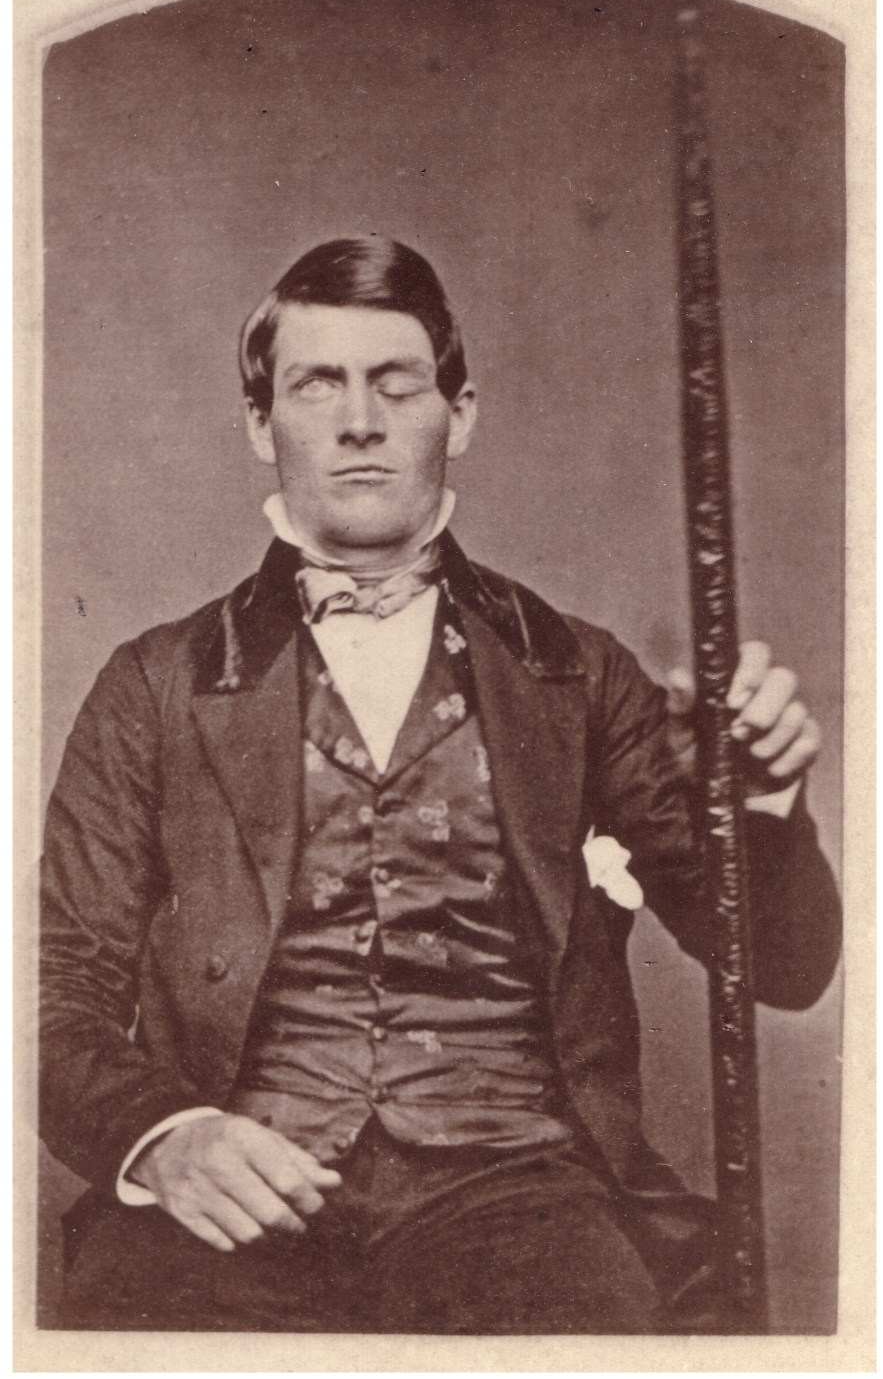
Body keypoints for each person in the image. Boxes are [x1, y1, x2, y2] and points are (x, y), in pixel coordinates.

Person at [40, 237, 841, 1334]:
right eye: (316, 383)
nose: (358, 420)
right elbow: (48, 987)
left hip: (519, 1194)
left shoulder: (578, 673)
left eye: (396, 382)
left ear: (458, 414)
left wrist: (758, 804)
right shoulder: (154, 684)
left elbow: (782, 966)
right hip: (237, 1187)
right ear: (259, 423)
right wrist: (167, 1137)